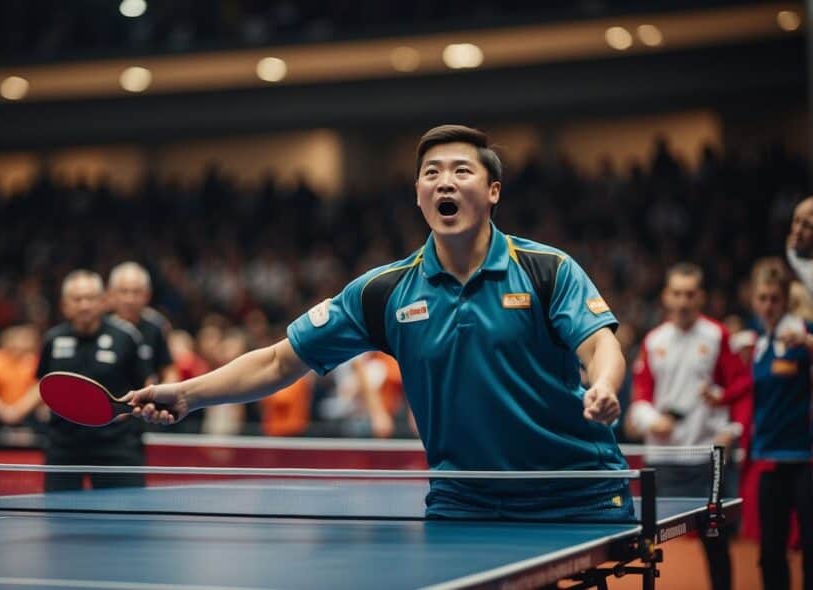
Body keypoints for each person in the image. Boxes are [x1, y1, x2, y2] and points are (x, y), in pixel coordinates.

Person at [124, 125, 627, 521]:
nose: (444, 182)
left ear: (493, 191)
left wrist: (604, 385)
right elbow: (279, 360)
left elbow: (599, 345)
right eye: (431, 173)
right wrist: (188, 394)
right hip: (465, 500)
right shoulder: (383, 292)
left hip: (575, 490)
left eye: (461, 171)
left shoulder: (546, 269)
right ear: (417, 193)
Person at [625, 263, 751, 590]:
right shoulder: (654, 341)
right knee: (651, 546)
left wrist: (733, 431)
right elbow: (639, 400)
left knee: (716, 540)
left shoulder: (717, 335)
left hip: (705, 458)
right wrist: (654, 421)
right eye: (677, 294)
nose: (683, 301)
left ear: (701, 298)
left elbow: (740, 388)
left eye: (690, 294)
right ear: (666, 297)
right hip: (663, 461)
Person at [37, 270, 151, 490]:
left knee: (128, 518)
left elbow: (144, 386)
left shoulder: (125, 338)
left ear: (103, 301)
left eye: (91, 298)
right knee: (59, 518)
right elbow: (43, 384)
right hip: (64, 445)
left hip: (117, 445)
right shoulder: (53, 339)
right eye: (77, 299)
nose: (84, 305)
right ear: (64, 304)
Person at [746, 259, 812, 590]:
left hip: (805, 460)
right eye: (763, 298)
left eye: (775, 298)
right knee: (770, 551)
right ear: (754, 300)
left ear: (785, 300)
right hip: (769, 458)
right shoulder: (758, 346)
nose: (769, 305)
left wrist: (809, 343)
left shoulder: (802, 332)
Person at [107, 262, 178, 384]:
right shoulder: (100, 326)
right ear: (111, 293)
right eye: (124, 291)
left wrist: (162, 396)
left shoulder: (156, 327)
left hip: (147, 399)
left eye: (136, 292)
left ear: (147, 295)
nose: (130, 299)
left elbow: (169, 372)